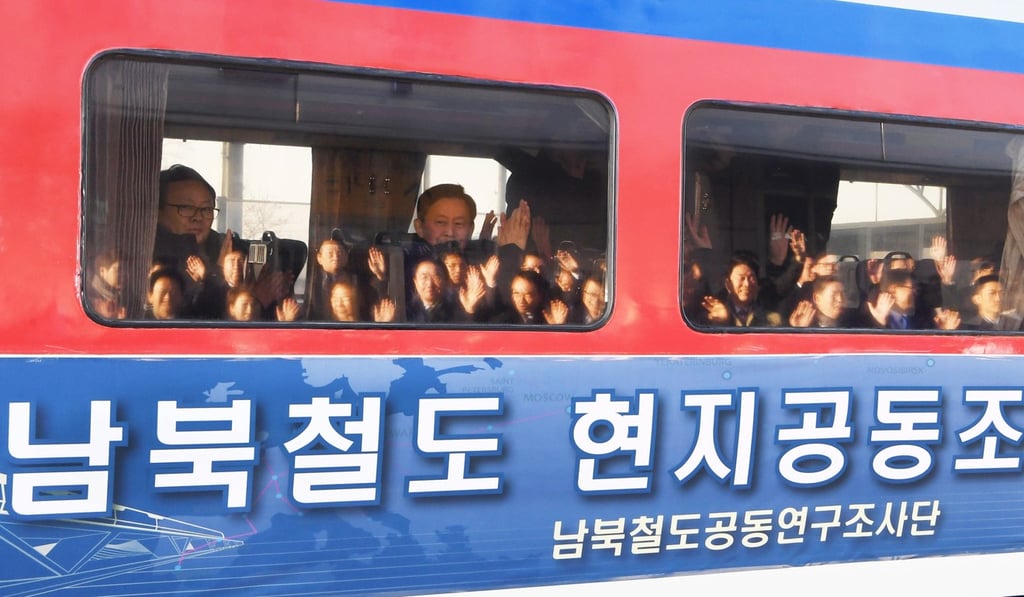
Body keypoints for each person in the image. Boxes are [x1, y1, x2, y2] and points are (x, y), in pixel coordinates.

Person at [153, 164, 228, 317]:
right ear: (158, 212)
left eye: (206, 209)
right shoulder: (145, 255)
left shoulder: (223, 248)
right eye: (186, 207)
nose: (198, 217)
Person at [701, 255, 781, 328]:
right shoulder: (714, 315)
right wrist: (724, 322)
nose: (747, 284)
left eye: (751, 278)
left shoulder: (773, 320)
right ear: (728, 284)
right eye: (741, 278)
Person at [87, 248, 126, 319]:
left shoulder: (122, 294)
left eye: (125, 269)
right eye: (118, 270)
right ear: (102, 271)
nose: (124, 274)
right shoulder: (91, 300)